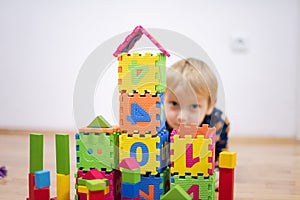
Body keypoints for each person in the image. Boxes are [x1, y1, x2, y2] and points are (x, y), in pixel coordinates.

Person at [164, 58, 230, 189]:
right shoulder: (157, 125)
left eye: (194, 106)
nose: (182, 117)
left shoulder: (218, 124)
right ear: (163, 99)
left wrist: (219, 174)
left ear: (210, 105)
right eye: (174, 103)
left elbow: (221, 157)